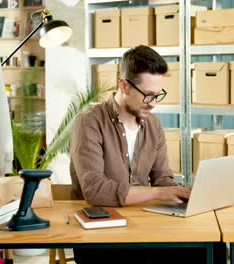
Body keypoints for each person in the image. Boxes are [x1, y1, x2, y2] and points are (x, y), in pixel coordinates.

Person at [70, 45, 202, 263]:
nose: (153, 104)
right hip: (99, 232)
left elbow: (162, 179)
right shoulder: (89, 122)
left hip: (142, 225)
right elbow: (95, 190)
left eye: (157, 96)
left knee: (204, 250)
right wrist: (160, 194)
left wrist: (182, 194)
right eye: (148, 95)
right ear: (124, 86)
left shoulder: (153, 125)